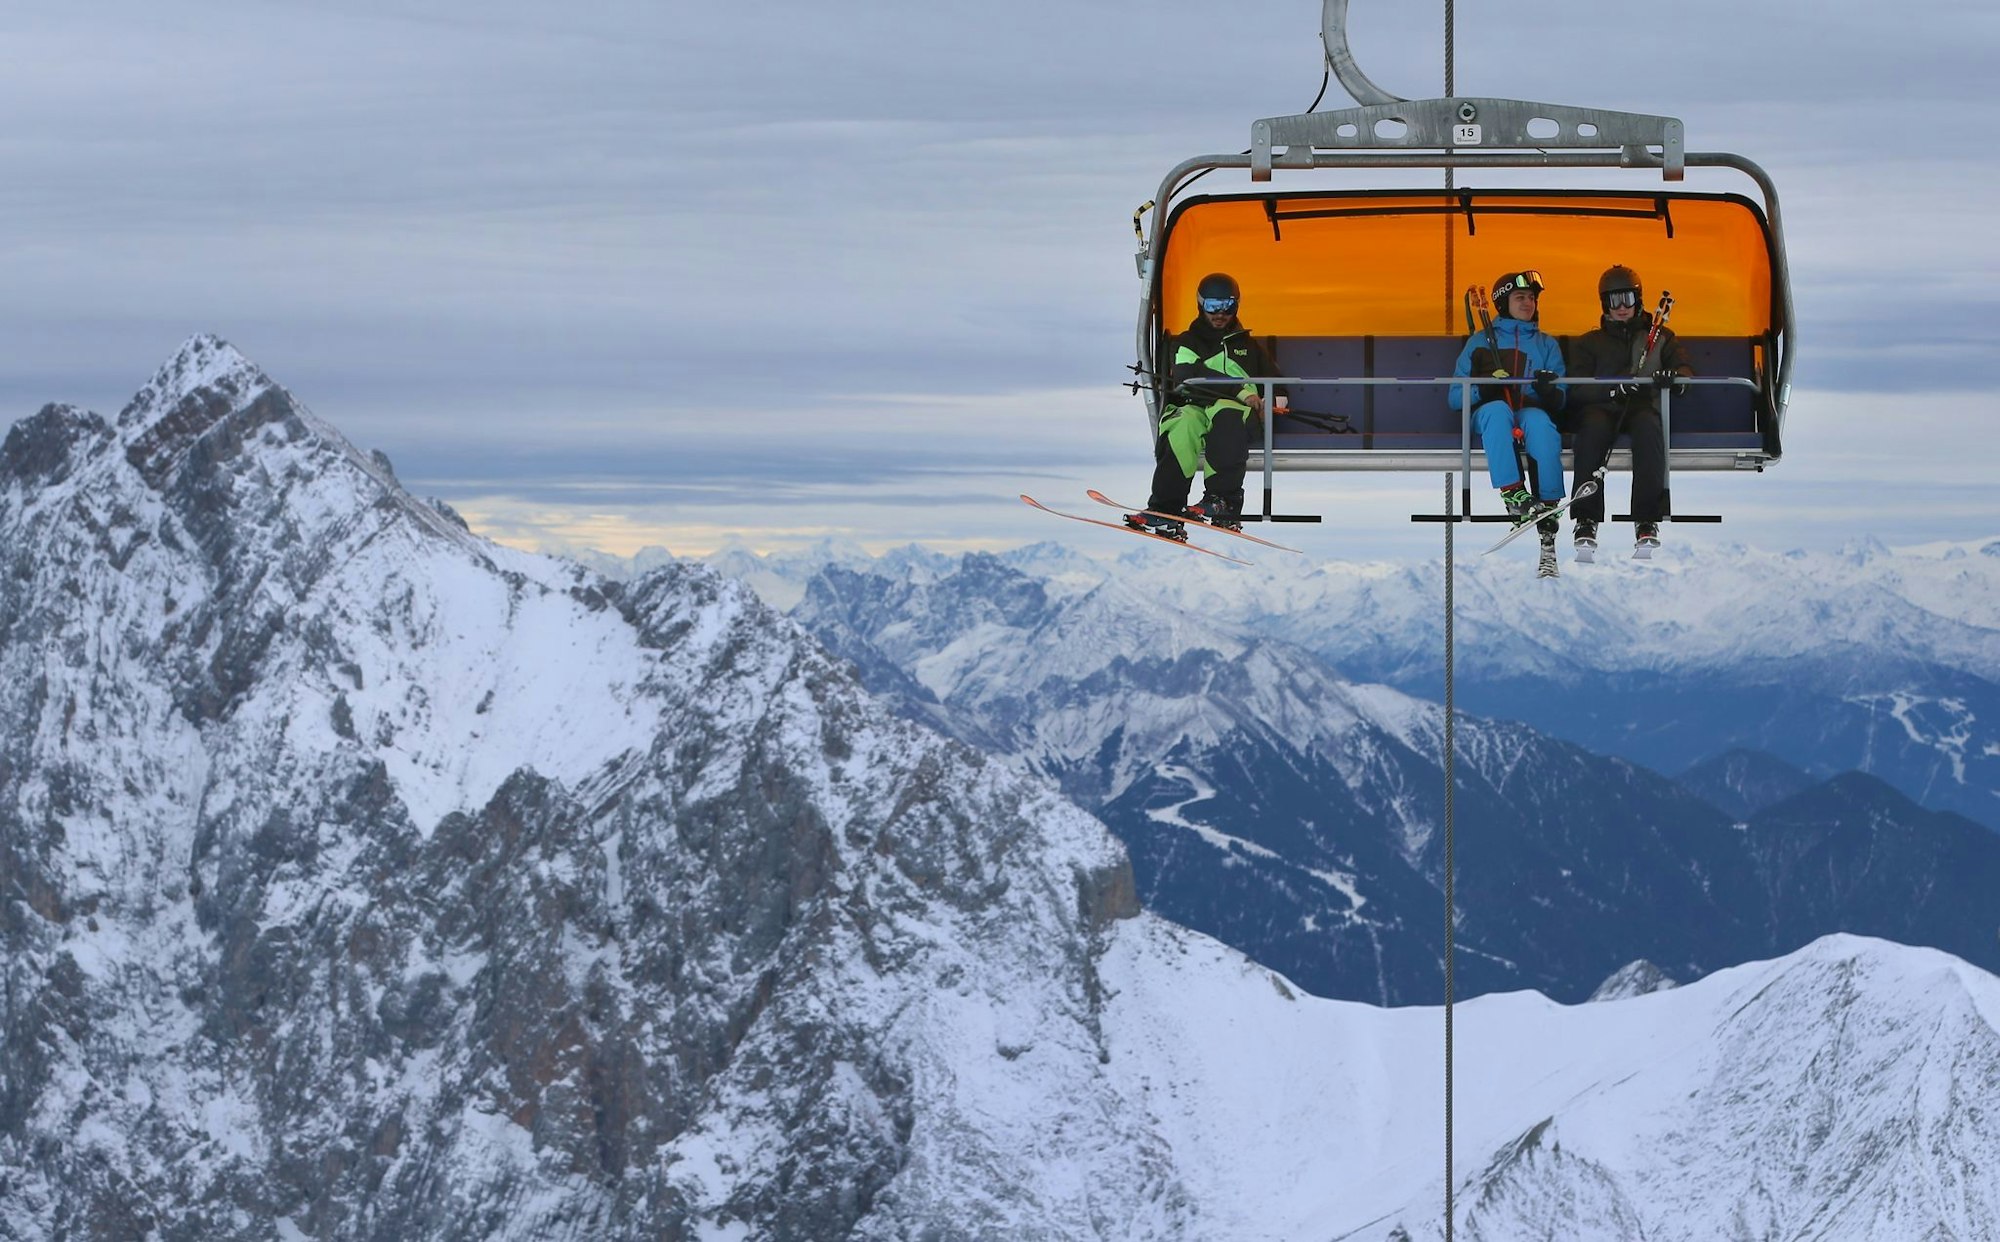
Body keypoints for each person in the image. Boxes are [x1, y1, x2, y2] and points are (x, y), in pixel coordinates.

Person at [1127, 272, 1284, 539]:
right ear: (1201, 304)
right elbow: (1188, 375)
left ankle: (1224, 500)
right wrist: (1240, 390)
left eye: (1228, 306)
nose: (1220, 313)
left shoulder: (1248, 347)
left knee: (1226, 412)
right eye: (1213, 306)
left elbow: (1277, 384)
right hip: (1195, 406)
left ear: (1236, 306)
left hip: (1236, 416)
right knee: (1182, 424)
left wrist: (1271, 403)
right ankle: (1166, 509)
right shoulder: (1186, 343)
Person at [1564, 265, 1694, 554]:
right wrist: (1612, 389)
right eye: (1613, 300)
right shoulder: (1590, 343)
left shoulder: (1660, 337)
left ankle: (1646, 518)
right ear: (1604, 304)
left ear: (1639, 300)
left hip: (1641, 405)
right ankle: (1586, 518)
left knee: (1649, 429)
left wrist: (1675, 381)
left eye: (1627, 299)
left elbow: (1682, 367)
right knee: (1591, 432)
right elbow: (1576, 387)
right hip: (1602, 407)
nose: (1621, 307)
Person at [1447, 269, 1567, 521]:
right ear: (1503, 303)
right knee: (1498, 410)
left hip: (1525, 412)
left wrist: (1549, 392)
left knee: (1539, 422)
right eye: (1520, 297)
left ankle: (1548, 501)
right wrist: (1485, 389)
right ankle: (1513, 492)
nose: (1528, 303)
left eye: (1531, 298)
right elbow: (1456, 397)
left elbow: (1562, 397)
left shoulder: (1546, 344)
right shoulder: (1479, 342)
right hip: (1488, 414)